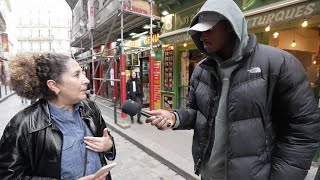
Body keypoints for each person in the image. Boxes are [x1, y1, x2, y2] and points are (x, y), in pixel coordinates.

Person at [145, 0, 320, 179]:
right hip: (208, 175)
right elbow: (197, 113)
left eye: (209, 29)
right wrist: (175, 118)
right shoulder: (201, 69)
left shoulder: (280, 64)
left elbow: (302, 131)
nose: (203, 36)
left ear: (230, 25)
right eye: (199, 31)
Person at [0, 53, 116, 180]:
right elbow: (9, 176)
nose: (86, 80)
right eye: (76, 75)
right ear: (54, 85)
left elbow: (106, 138)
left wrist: (109, 145)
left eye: (82, 73)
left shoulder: (91, 108)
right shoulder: (23, 125)